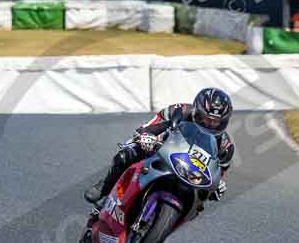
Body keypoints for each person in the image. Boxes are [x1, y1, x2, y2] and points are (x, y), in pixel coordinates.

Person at [84, 87, 235, 205]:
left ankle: (164, 225)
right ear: (197, 110)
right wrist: (146, 136)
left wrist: (217, 186)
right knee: (127, 153)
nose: (209, 124)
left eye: (215, 121)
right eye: (205, 118)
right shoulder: (179, 110)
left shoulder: (225, 146)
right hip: (160, 152)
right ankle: (104, 187)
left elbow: (218, 173)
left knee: (200, 201)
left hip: (190, 174)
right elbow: (149, 127)